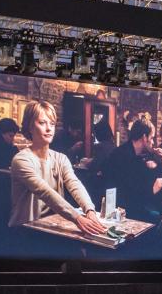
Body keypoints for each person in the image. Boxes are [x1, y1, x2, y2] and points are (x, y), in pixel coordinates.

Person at [8, 100, 106, 236]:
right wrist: (77, 218)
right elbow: (45, 192)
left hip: (52, 225)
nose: (49, 128)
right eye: (42, 123)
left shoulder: (61, 158)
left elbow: (74, 184)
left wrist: (89, 210)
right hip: (25, 229)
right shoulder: (21, 160)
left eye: (52, 124)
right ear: (30, 127)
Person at [102, 119, 162, 222]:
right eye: (152, 138)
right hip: (121, 212)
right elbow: (131, 195)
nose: (153, 142)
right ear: (144, 137)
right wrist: (153, 189)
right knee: (159, 219)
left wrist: (160, 163)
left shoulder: (137, 155)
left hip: (132, 208)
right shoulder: (122, 156)